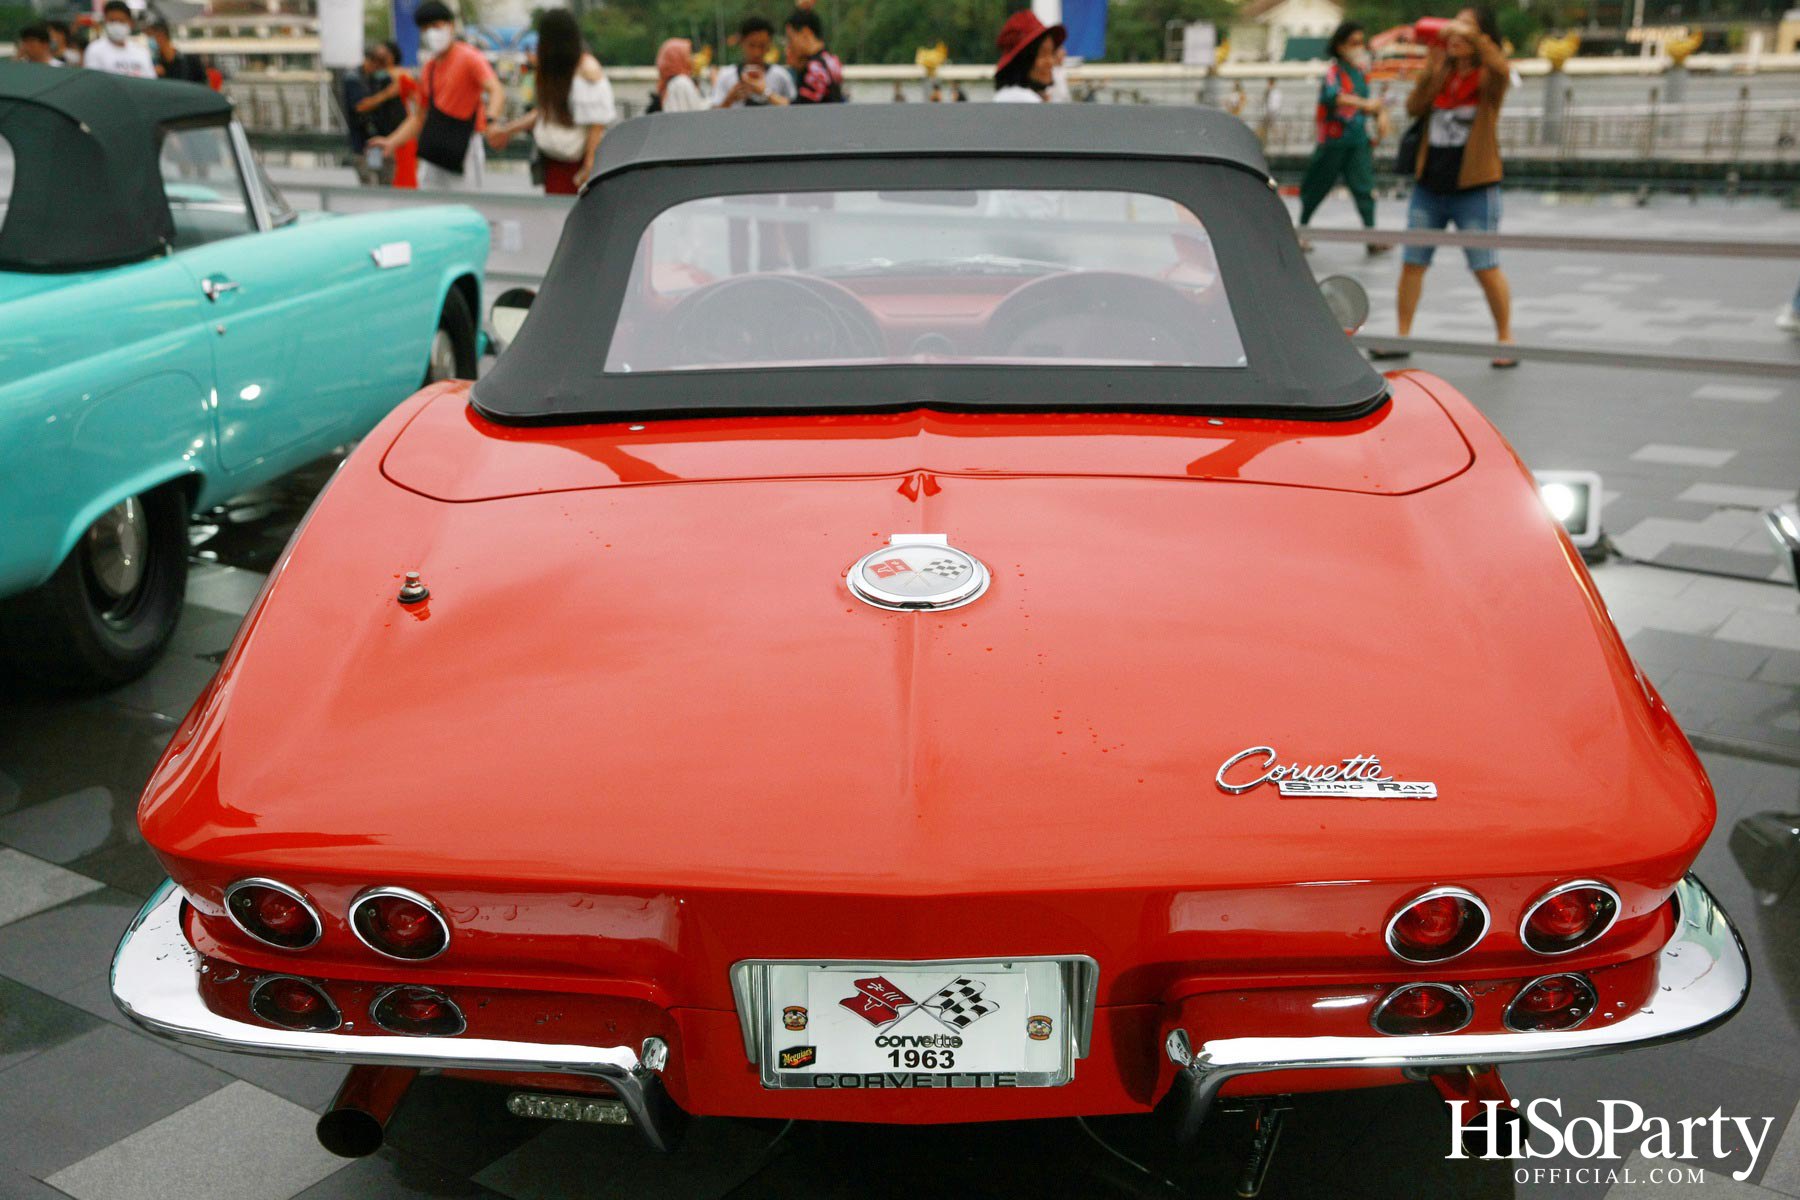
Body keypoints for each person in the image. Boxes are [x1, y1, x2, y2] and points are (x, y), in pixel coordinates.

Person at [1383, 7, 1516, 367]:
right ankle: (1401, 334)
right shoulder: (1441, 71)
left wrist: (1471, 36)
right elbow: (1413, 107)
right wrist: (1433, 66)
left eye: (1466, 29)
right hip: (1430, 184)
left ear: (1482, 37)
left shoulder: (1490, 78)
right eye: (1452, 28)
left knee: (1484, 264)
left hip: (1475, 186)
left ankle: (1505, 338)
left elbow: (1502, 67)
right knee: (1413, 262)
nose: (1455, 34)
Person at [368, 2, 505, 191]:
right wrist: (391, 141)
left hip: (464, 147)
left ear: (450, 26)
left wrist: (491, 121)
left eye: (436, 26)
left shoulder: (469, 58)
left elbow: (496, 89)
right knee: (430, 205)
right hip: (435, 149)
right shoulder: (429, 67)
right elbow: (419, 117)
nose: (431, 33)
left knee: (465, 207)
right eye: (425, 29)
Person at [486, 10, 614, 194]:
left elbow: (596, 123)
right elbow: (545, 112)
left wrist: (589, 166)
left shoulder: (587, 69)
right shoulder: (560, 68)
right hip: (555, 162)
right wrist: (508, 130)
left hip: (577, 166)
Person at [1297, 22, 1384, 253]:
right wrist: (1365, 104)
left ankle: (1371, 236)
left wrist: (1378, 114)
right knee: (1316, 185)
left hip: (1357, 141)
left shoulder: (1361, 73)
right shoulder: (1334, 72)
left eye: (1360, 42)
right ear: (1340, 45)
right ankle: (1302, 231)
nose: (1359, 47)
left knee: (1365, 188)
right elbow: (1332, 96)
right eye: (1353, 43)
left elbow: (1367, 105)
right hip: (1334, 141)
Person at [343, 44, 399, 186]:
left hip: (381, 141)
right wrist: (386, 94)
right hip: (363, 143)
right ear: (373, 62)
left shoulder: (380, 78)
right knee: (370, 184)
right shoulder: (353, 78)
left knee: (386, 183)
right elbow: (360, 106)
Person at [712, 17, 795, 107]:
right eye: (751, 45)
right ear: (742, 42)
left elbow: (795, 108)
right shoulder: (726, 76)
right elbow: (712, 115)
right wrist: (730, 98)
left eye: (762, 46)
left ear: (770, 44)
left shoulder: (781, 76)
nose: (757, 52)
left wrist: (765, 92)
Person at [992, 10, 1063, 103]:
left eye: (1051, 53)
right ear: (1022, 61)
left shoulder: (1010, 96)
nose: (1051, 62)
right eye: (1043, 54)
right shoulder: (1022, 100)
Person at [784, 8, 843, 103]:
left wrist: (765, 92)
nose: (790, 46)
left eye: (791, 39)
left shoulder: (813, 67)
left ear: (805, 34)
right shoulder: (831, 59)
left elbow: (800, 109)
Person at [83, 2, 154, 78]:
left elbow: (151, 81)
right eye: (112, 21)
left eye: (121, 21)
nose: (117, 25)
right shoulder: (94, 49)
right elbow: (93, 81)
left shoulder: (141, 52)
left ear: (130, 23)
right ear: (105, 21)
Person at [650, 38, 705, 113]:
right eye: (687, 55)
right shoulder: (681, 82)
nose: (691, 59)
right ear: (677, 58)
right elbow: (699, 111)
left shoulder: (671, 83)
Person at [147, 18, 205, 83]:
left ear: (161, 36)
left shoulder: (190, 61)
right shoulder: (156, 64)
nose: (149, 40)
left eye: (151, 36)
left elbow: (204, 85)